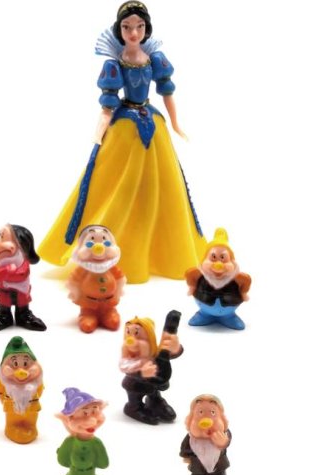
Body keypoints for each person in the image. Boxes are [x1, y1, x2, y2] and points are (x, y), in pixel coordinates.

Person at [38, 1, 206, 284]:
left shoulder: (155, 59)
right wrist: (98, 133)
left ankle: (164, 247)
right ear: (120, 30)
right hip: (124, 126)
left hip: (154, 125)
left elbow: (167, 93)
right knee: (116, 185)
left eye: (139, 27)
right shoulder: (113, 65)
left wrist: (176, 123)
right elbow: (107, 105)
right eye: (127, 27)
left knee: (163, 185)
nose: (134, 32)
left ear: (146, 29)